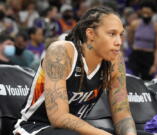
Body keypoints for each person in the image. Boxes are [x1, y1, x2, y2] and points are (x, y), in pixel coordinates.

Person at [13, 6, 137, 135]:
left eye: (121, 35)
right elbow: (59, 118)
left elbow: (123, 114)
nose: (119, 42)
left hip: (73, 130)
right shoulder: (61, 52)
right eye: (112, 34)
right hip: (35, 127)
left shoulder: (115, 61)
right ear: (91, 34)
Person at [127, 0, 157, 80]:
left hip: (148, 57)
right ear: (141, 12)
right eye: (144, 12)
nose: (145, 15)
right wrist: (134, 49)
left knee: (147, 81)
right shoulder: (134, 24)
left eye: (148, 13)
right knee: (132, 81)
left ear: (153, 13)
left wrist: (155, 64)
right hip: (136, 56)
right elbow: (130, 41)